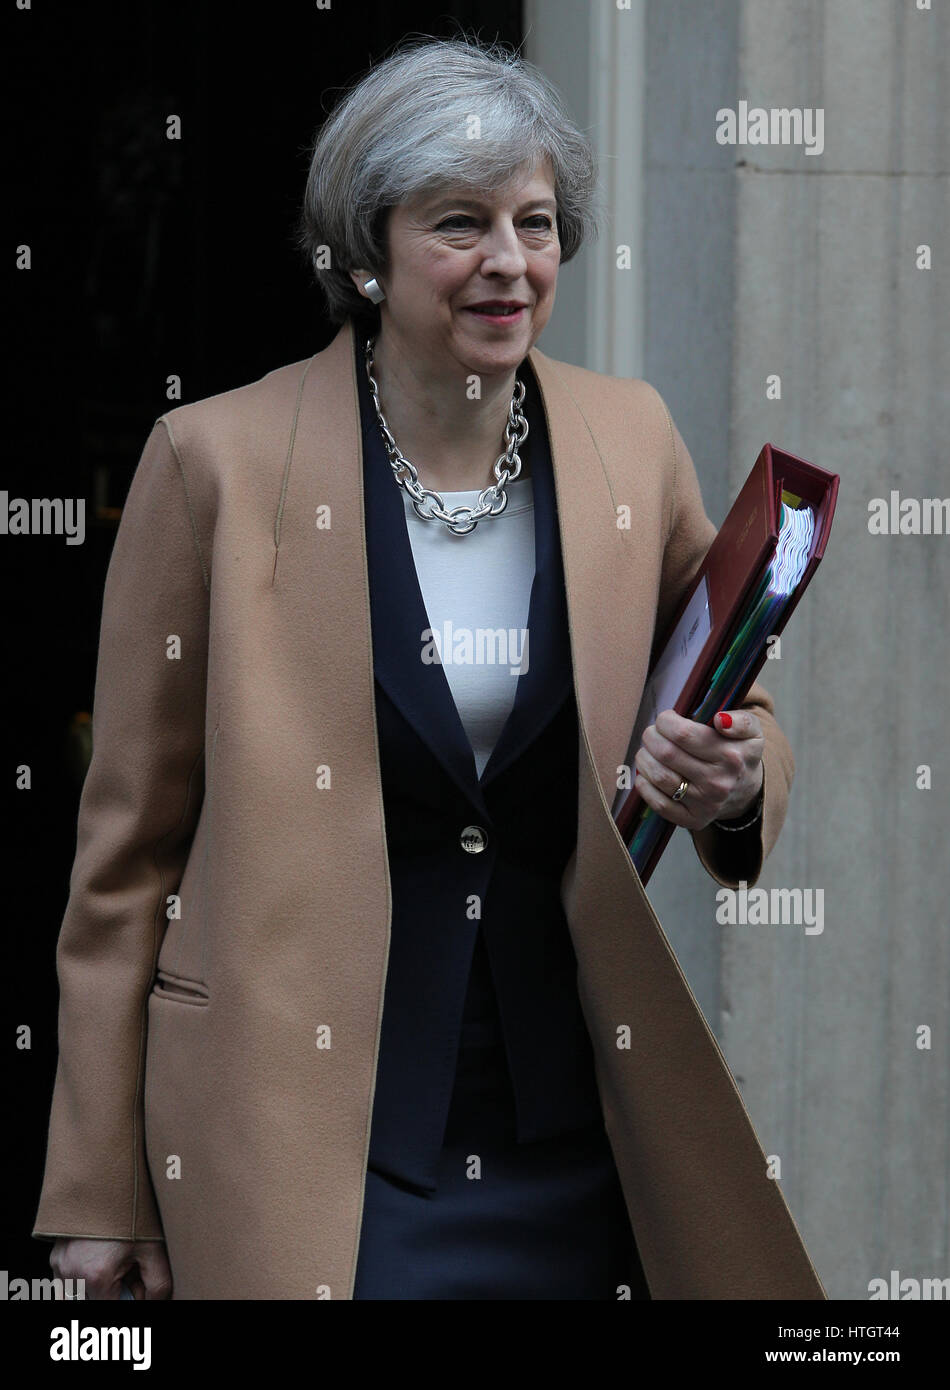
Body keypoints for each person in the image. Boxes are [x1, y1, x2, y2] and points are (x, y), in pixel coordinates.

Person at [33, 35, 826, 1300]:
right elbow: (124, 859)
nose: (507, 262)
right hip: (304, 1135)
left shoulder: (631, 442)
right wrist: (98, 1190)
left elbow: (744, 709)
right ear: (363, 251)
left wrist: (732, 777)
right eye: (459, 223)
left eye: (534, 223)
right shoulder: (211, 465)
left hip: (575, 1124)